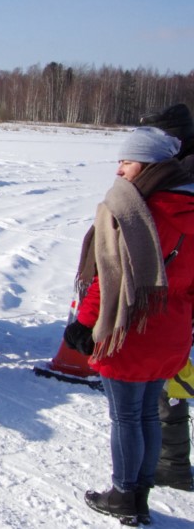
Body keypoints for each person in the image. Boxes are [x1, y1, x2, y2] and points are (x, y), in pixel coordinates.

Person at [62, 126, 194, 525]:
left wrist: (84, 323)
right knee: (149, 415)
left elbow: (112, 276)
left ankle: (123, 495)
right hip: (171, 332)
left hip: (130, 331)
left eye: (128, 162)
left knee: (126, 419)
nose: (120, 170)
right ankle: (140, 494)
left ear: (150, 166)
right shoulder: (188, 207)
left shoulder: (136, 211)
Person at [139, 102, 194, 493]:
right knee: (173, 372)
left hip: (178, 290)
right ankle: (172, 460)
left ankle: (173, 464)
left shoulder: (181, 173)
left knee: (169, 373)